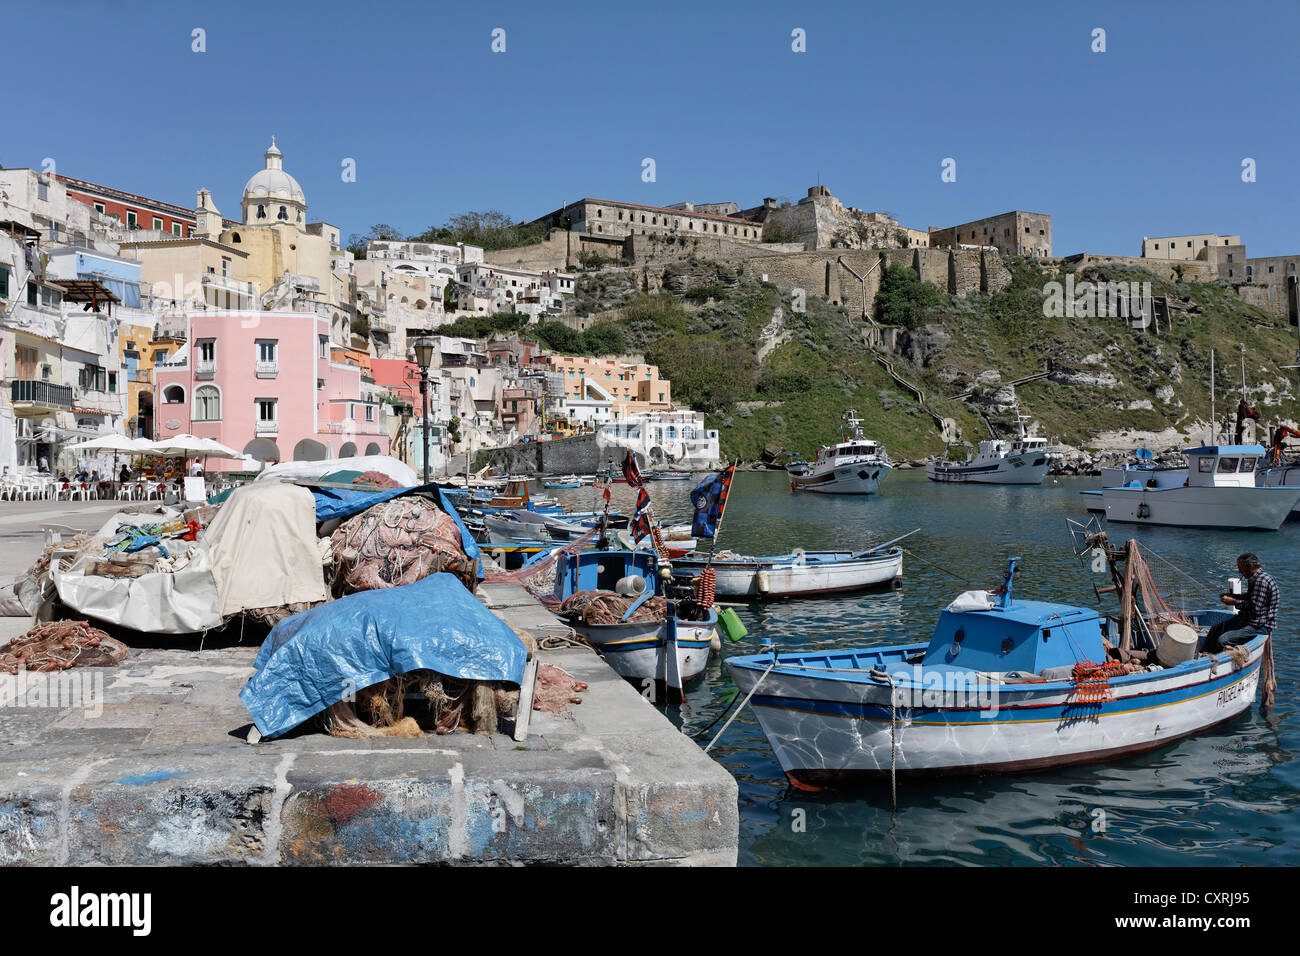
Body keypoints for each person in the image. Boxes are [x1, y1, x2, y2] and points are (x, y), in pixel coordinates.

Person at [1199, 553, 1279, 653]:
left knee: (1223, 640)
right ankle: (1205, 655)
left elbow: (1255, 608)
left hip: (1259, 626)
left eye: (1240, 568)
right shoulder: (1256, 578)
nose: (1239, 571)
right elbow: (1251, 598)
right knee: (1215, 629)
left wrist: (1233, 602)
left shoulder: (1261, 581)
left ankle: (1219, 662)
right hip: (1248, 619)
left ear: (1249, 567)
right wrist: (1233, 596)